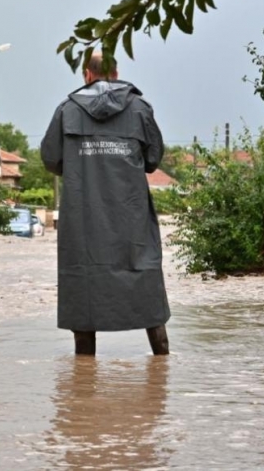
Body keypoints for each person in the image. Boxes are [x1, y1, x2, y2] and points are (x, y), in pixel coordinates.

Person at [40, 52, 170, 355]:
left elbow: (51, 159)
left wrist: (81, 164)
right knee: (146, 284)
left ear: (87, 74)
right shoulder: (139, 108)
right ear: (116, 72)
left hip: (83, 224)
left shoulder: (67, 111)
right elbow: (153, 160)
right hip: (132, 223)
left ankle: (84, 386)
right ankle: (161, 364)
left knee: (84, 293)